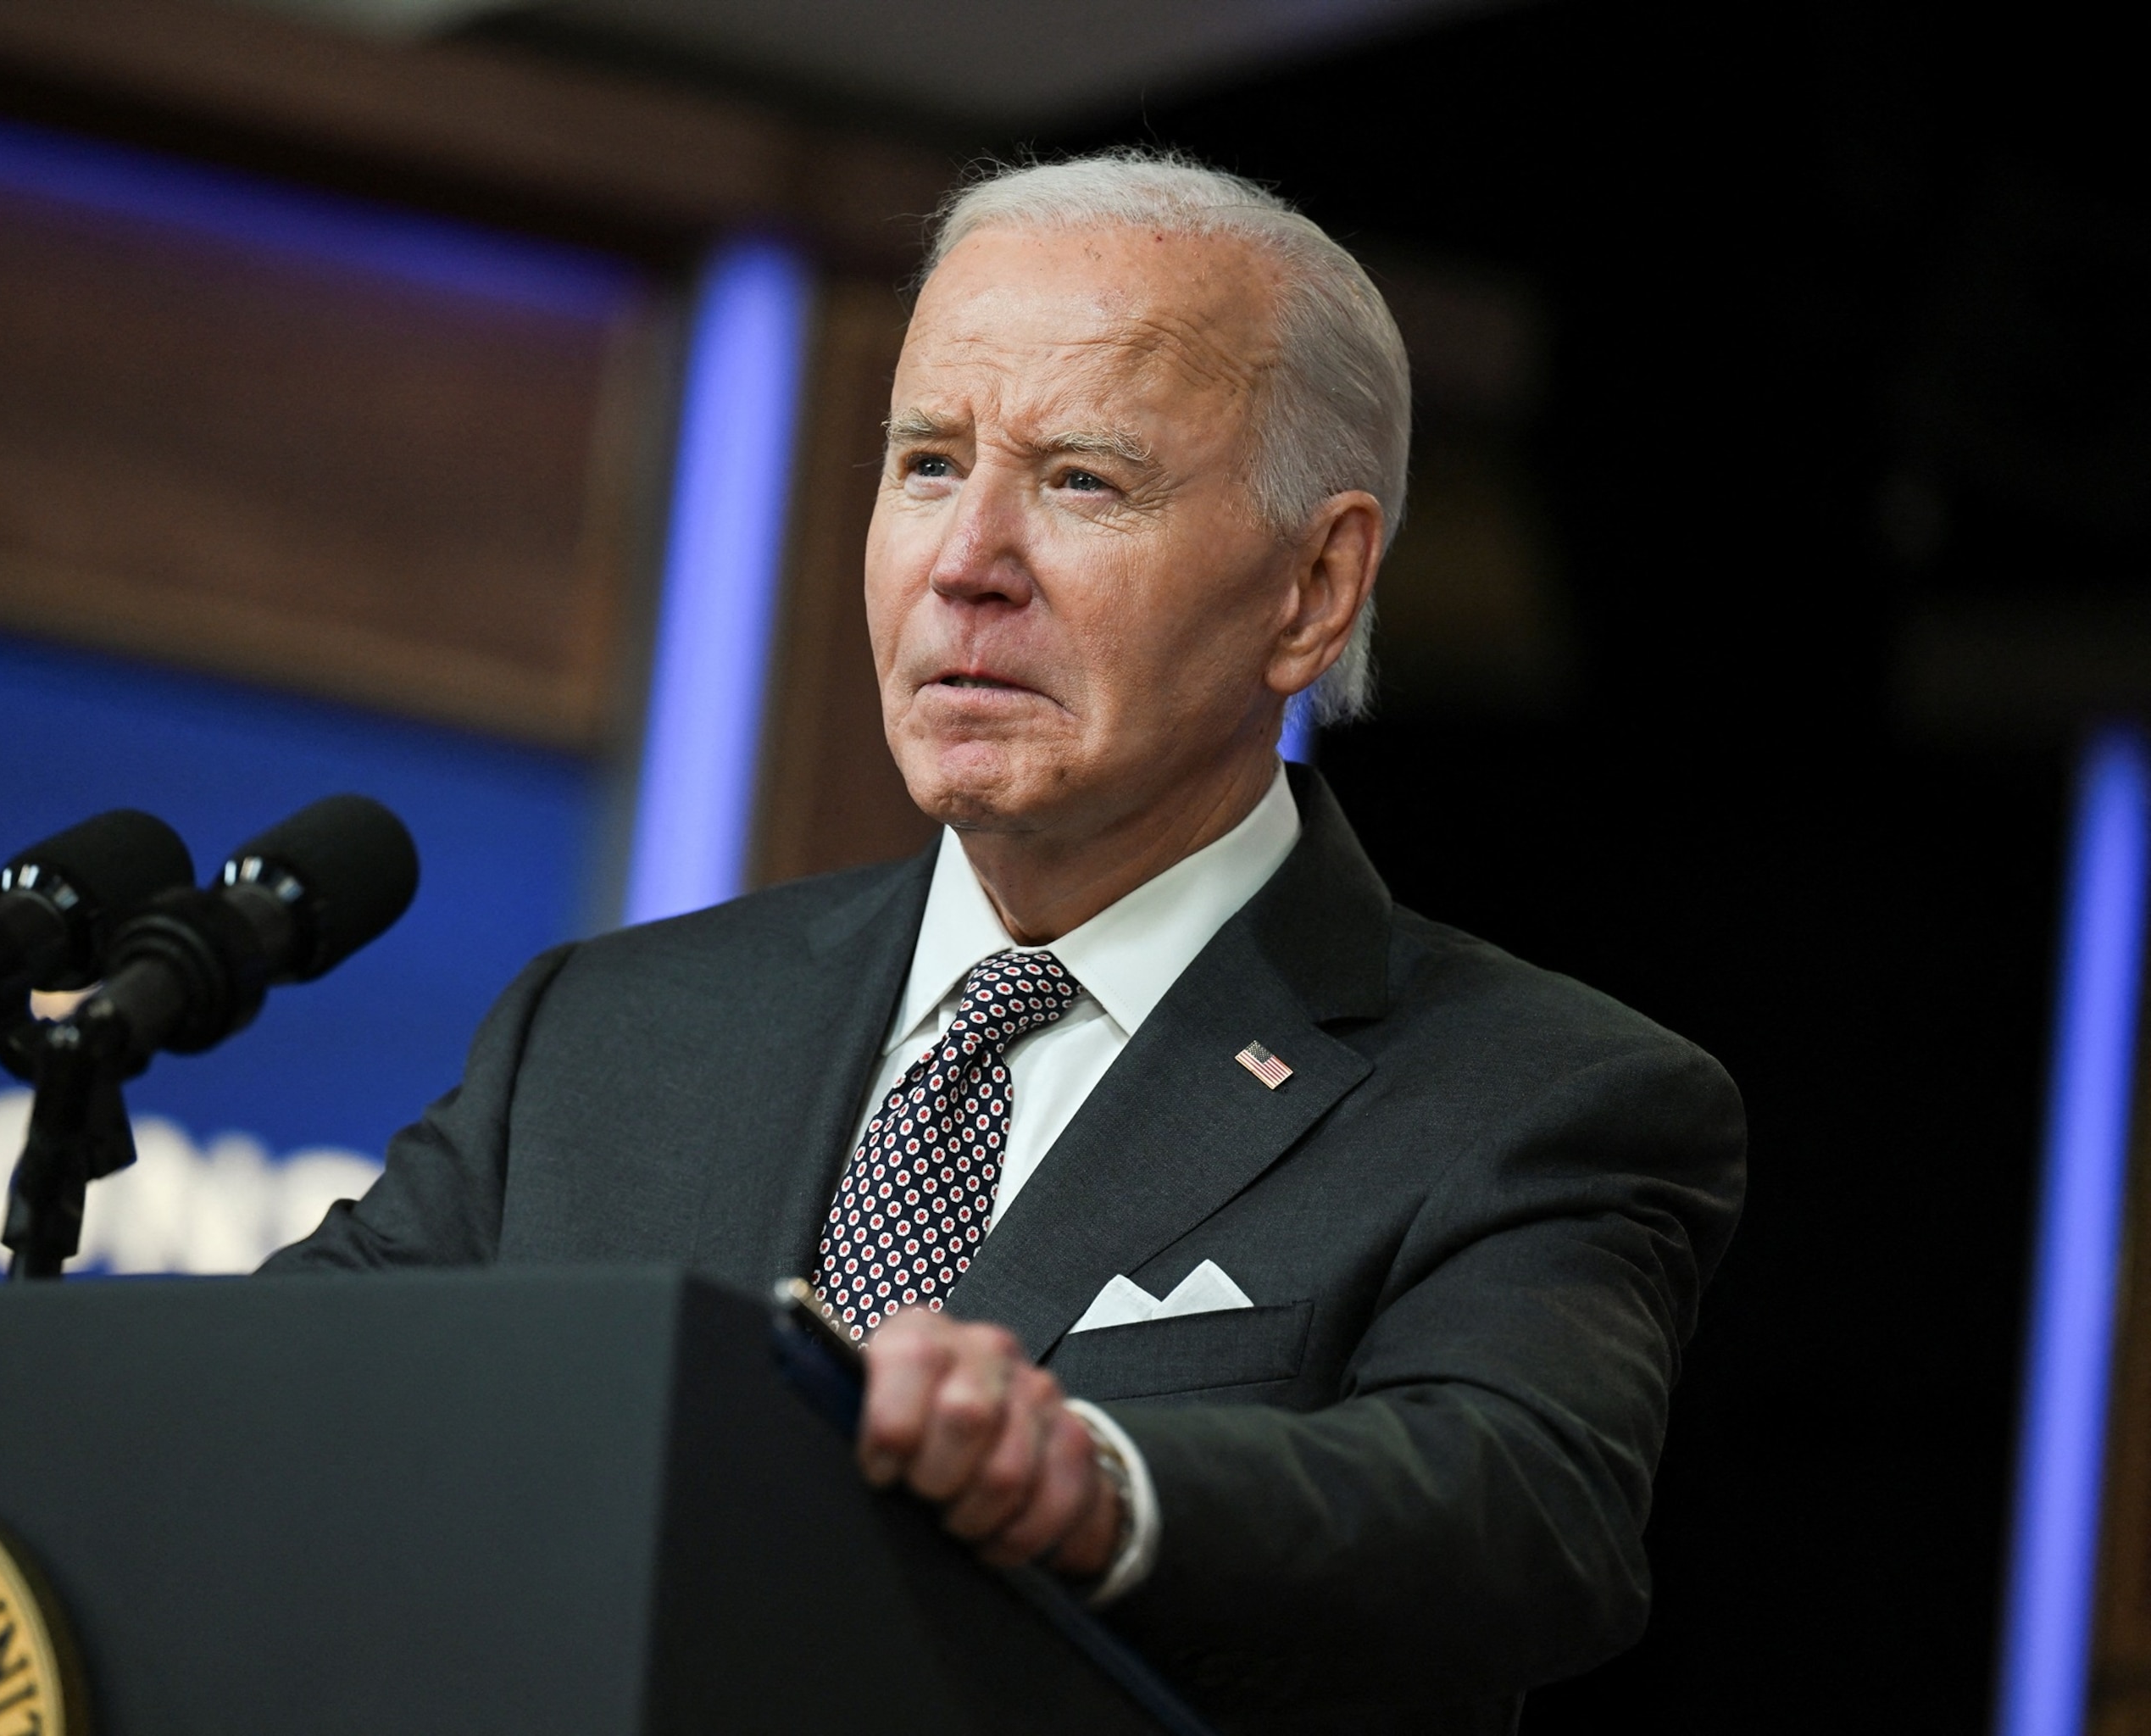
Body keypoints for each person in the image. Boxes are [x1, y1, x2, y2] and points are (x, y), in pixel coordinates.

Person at [264, 150, 1746, 1733]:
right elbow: (271, 1403)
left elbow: (1521, 1511)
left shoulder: (1537, 1099)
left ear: (1314, 590)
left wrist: (1090, 1481)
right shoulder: (611, 1030)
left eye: (1080, 480)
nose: (965, 562)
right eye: (923, 463)